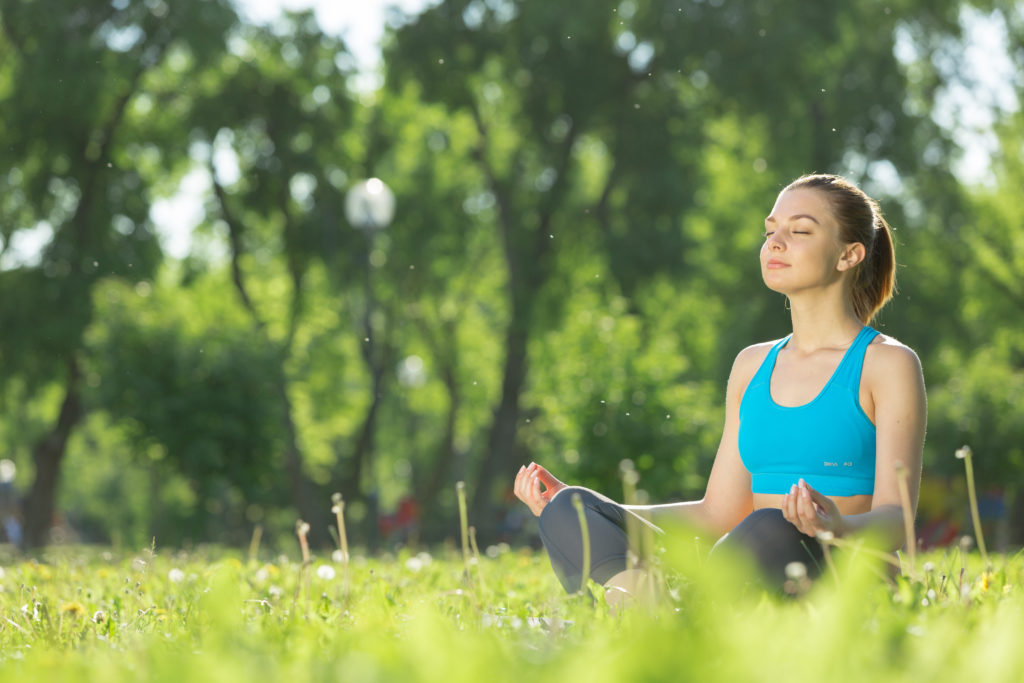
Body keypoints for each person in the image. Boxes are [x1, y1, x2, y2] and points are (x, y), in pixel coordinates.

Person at [513, 174, 927, 599]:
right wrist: (603, 510)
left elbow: (897, 520)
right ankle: (641, 610)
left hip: (844, 577)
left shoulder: (888, 364)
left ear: (849, 254)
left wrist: (833, 524)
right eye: (770, 232)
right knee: (572, 509)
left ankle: (680, 617)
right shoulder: (752, 366)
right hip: (745, 568)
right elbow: (718, 514)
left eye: (799, 230)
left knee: (774, 523)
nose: (775, 243)